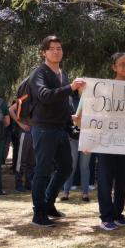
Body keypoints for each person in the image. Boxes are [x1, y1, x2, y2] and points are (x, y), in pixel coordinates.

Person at [28, 35, 85, 227]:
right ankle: (38, 214)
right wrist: (70, 87)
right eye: (52, 48)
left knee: (66, 167)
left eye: (59, 48)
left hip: (60, 129)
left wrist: (71, 121)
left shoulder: (63, 73)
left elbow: (64, 101)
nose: (56, 51)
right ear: (44, 52)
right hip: (43, 128)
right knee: (42, 171)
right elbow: (44, 96)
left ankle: (49, 203)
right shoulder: (39, 73)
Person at [76, 52, 125, 231]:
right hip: (105, 142)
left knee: (122, 180)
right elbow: (90, 113)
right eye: (123, 64)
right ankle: (106, 216)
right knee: (105, 179)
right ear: (114, 68)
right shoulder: (102, 88)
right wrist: (88, 139)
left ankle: (118, 214)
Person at [61, 91, 91, 202]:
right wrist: (72, 117)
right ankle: (66, 192)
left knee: (84, 166)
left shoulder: (92, 100)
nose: (82, 87)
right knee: (71, 166)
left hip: (87, 138)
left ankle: (85, 193)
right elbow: (64, 115)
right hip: (72, 137)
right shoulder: (69, 99)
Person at [8, 80, 35, 192]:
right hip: (26, 132)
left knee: (32, 160)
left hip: (35, 132)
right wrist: (20, 124)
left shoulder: (39, 97)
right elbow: (11, 109)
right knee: (21, 159)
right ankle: (18, 184)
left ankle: (29, 183)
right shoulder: (24, 97)